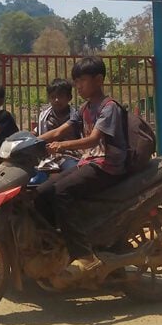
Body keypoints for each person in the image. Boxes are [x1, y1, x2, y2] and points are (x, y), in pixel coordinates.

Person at [35, 57, 128, 278]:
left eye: (82, 81)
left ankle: (85, 255)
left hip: (107, 166)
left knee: (61, 192)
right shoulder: (85, 108)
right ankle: (59, 243)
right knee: (40, 193)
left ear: (98, 80)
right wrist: (32, 142)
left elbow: (94, 140)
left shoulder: (109, 107)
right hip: (89, 162)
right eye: (76, 81)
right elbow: (58, 132)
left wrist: (61, 146)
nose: (78, 86)